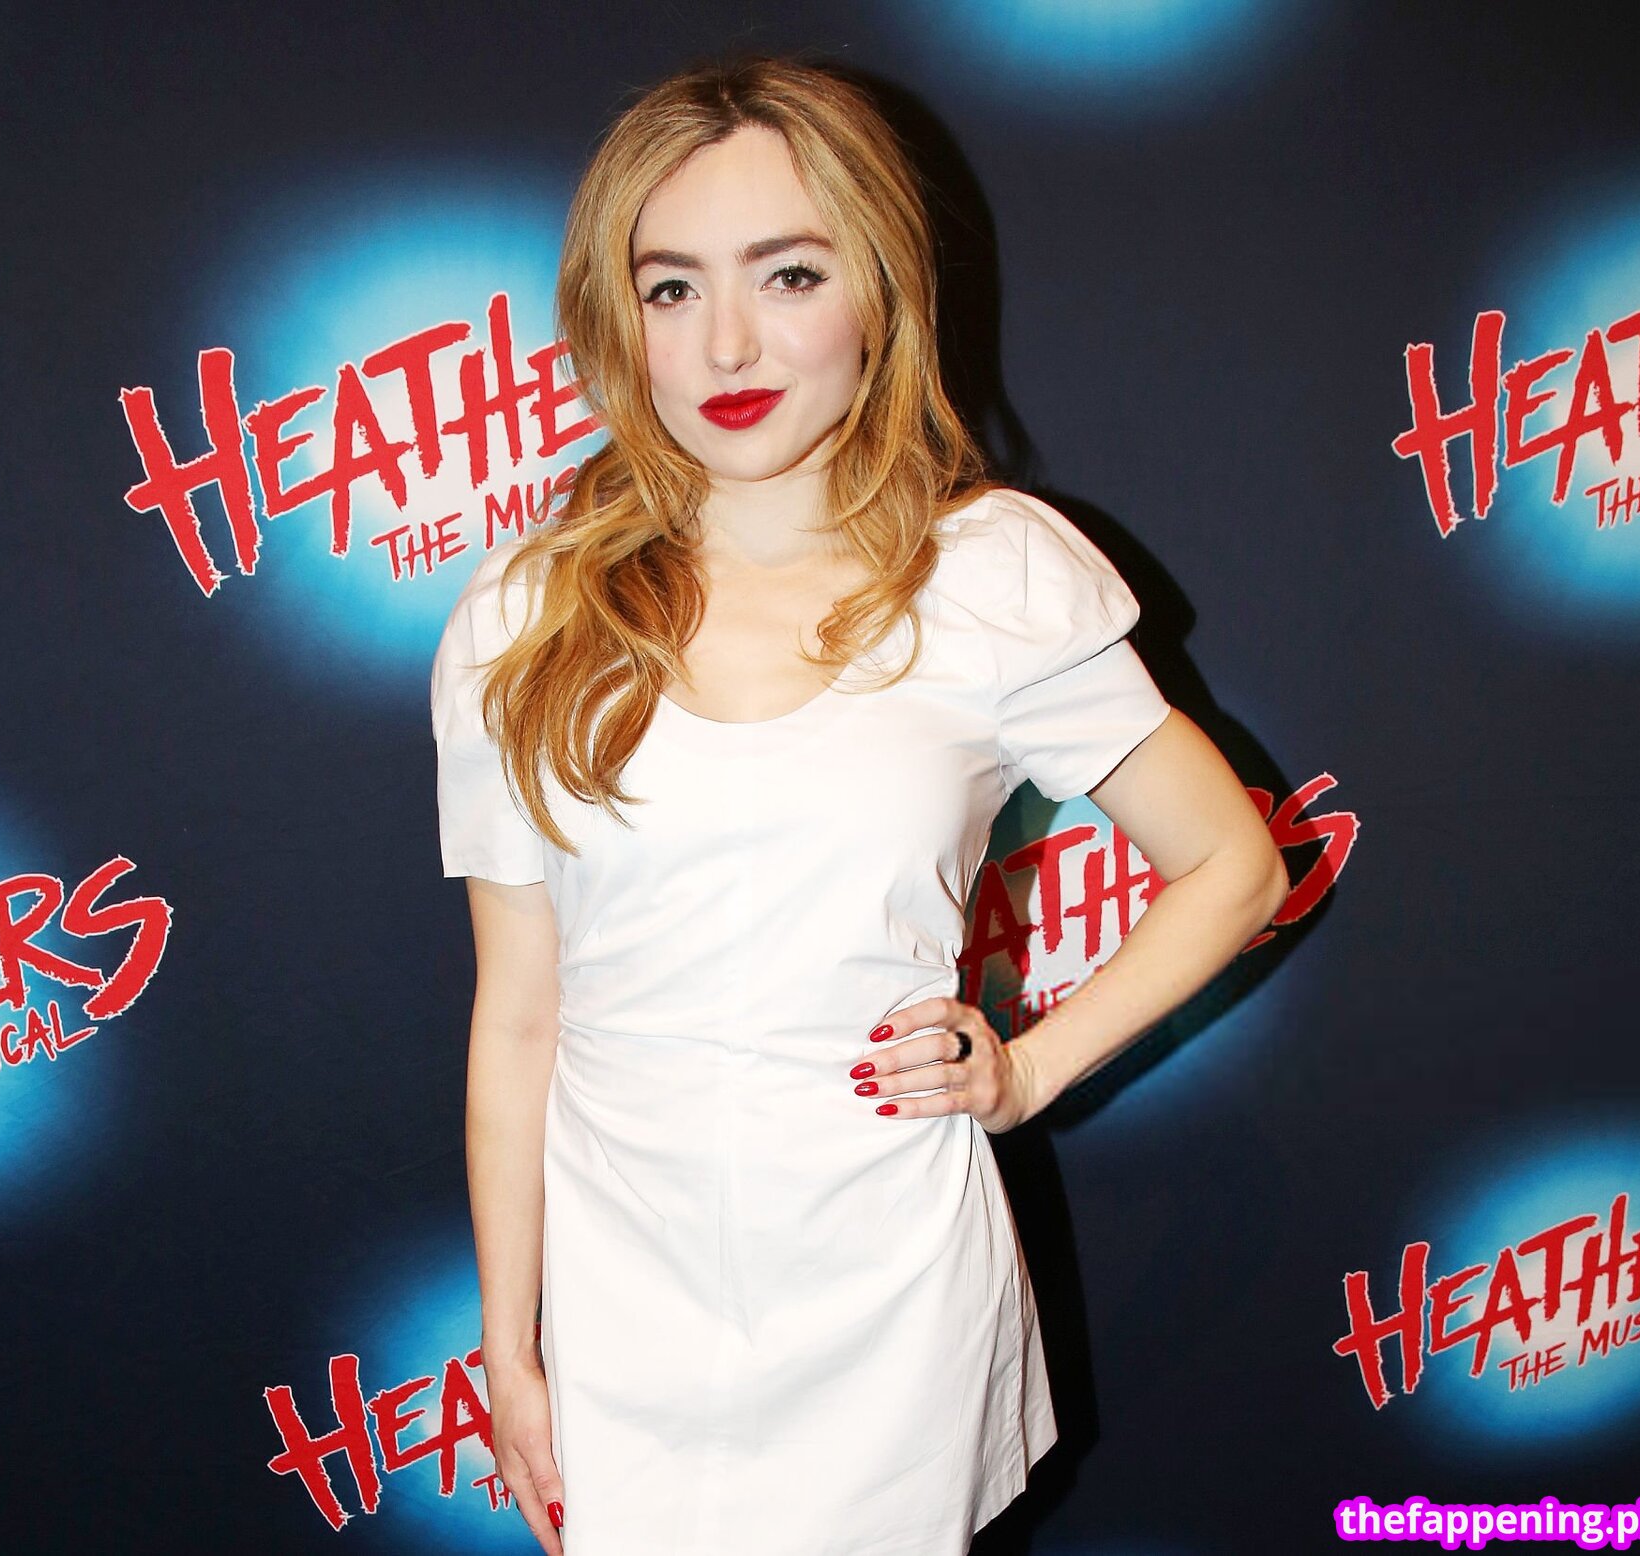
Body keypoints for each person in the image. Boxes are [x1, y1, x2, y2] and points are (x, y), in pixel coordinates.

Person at [431, 52, 1288, 1556]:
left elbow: (1236, 865)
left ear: (880, 290)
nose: (728, 342)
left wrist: (1027, 1073)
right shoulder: (524, 613)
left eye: (790, 273)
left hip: (889, 1289)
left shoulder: (994, 580)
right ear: (618, 319)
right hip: (629, 1297)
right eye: (673, 287)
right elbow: (517, 1018)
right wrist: (512, 1345)